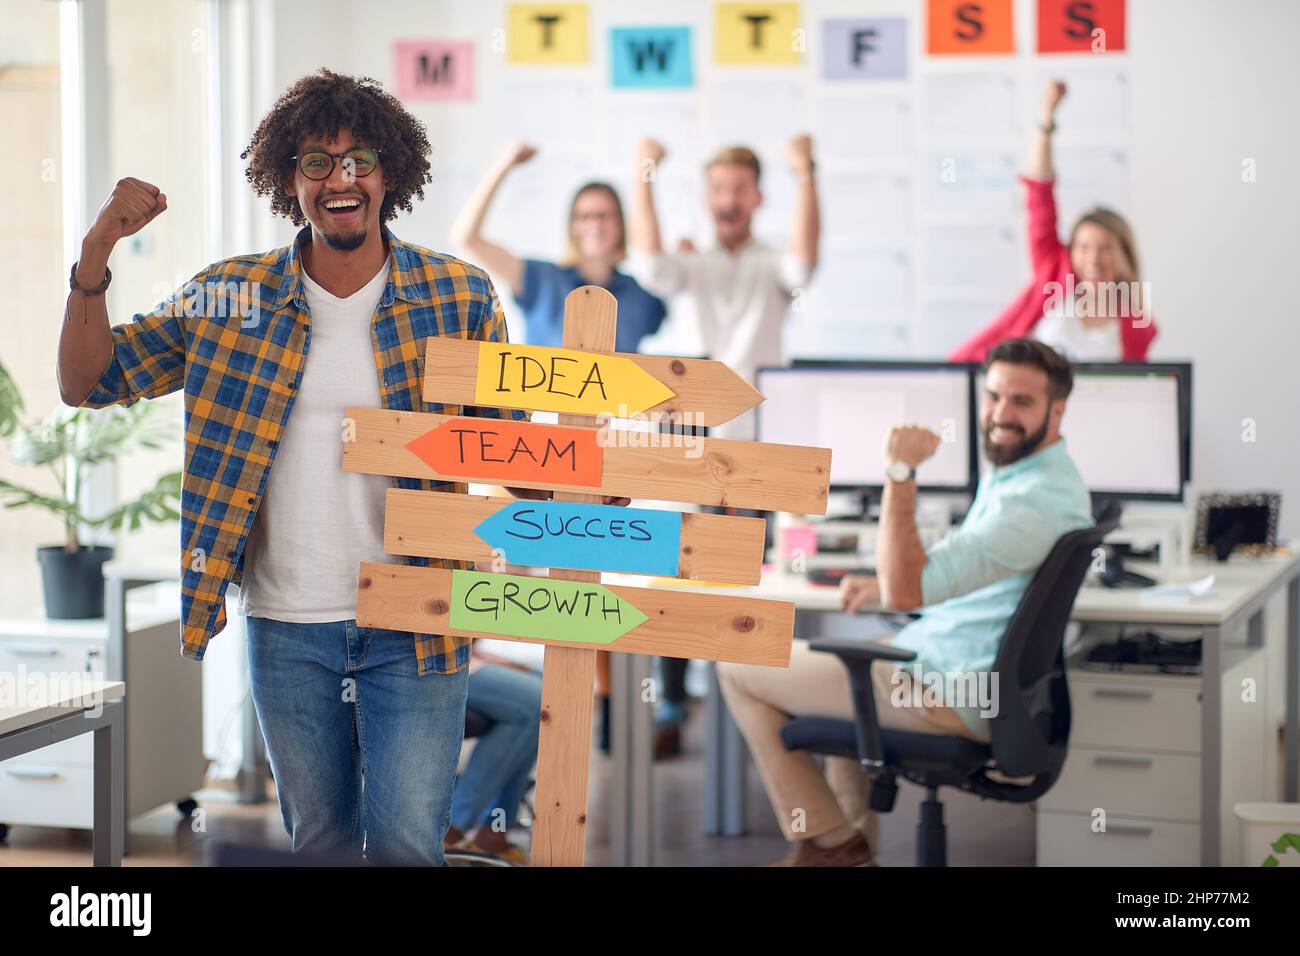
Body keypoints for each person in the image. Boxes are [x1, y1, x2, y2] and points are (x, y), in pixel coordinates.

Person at [55, 68, 625, 866]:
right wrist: (95, 254)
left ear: (390, 172)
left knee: (404, 848)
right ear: (291, 182)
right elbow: (88, 382)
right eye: (317, 163)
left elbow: (503, 443)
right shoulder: (231, 298)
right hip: (288, 626)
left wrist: (600, 487)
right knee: (321, 847)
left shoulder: (457, 295)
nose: (342, 177)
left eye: (360, 158)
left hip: (417, 619)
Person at [718, 339, 1093, 866]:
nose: (1001, 415)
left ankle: (828, 845)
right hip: (956, 669)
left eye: (1022, 402)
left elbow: (906, 591)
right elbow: (955, 581)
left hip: (945, 692)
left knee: (737, 662)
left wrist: (899, 471)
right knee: (844, 662)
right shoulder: (1037, 478)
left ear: (1058, 409)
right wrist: (884, 589)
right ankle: (849, 849)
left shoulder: (1029, 504)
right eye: (993, 397)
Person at [630, 135, 821, 755]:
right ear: (708, 198)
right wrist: (646, 172)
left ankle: (747, 706)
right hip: (687, 443)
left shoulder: (771, 267)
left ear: (758, 196)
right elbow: (651, 260)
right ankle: (673, 703)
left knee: (750, 582)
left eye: (740, 188)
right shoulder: (695, 265)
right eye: (719, 189)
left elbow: (805, 261)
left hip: (753, 451)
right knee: (678, 575)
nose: (729, 199)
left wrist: (806, 171)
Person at [950, 81, 1157, 363]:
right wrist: (1046, 121)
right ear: (1071, 252)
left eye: (1106, 248)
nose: (1093, 260)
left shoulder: (1136, 326)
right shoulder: (1054, 272)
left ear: (1124, 255)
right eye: (1083, 247)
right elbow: (1039, 193)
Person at [450, 141, 667, 352]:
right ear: (571, 226)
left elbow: (657, 263)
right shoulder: (540, 278)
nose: (595, 225)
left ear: (621, 224)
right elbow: (466, 239)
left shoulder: (640, 294)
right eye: (584, 217)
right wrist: (504, 165)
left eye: (604, 216)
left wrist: (647, 168)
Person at [445, 646, 543, 866]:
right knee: (537, 702)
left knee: (548, 684)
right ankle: (453, 826)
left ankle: (493, 830)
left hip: (465, 652)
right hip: (428, 657)